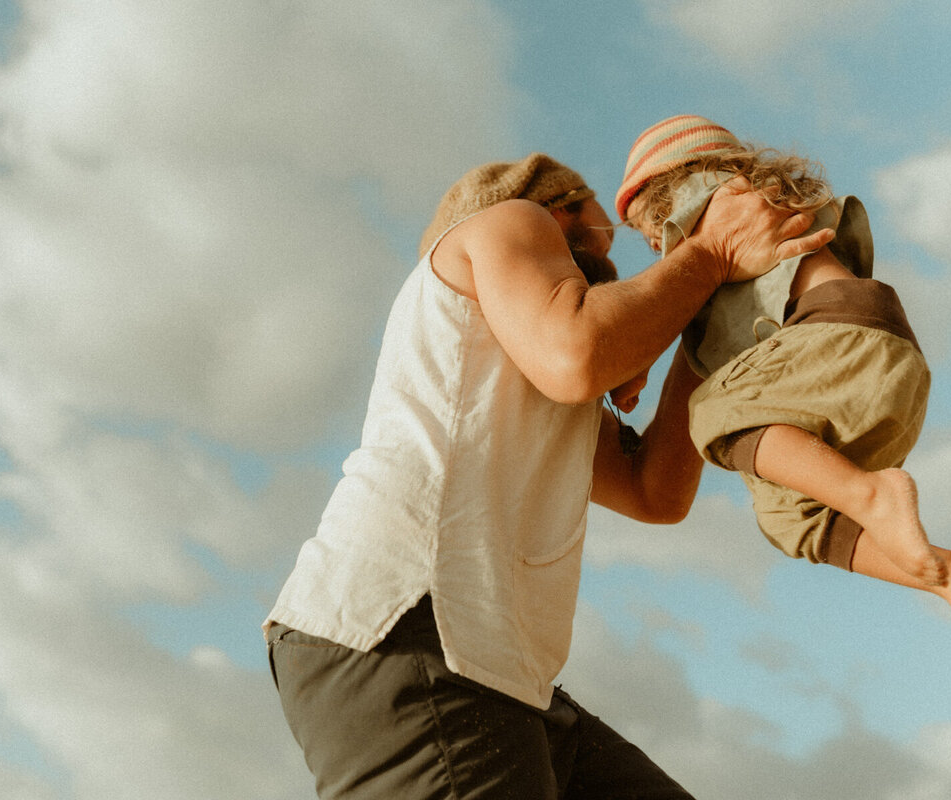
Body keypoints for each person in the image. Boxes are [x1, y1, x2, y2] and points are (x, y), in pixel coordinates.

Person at [264, 152, 834, 799]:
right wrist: (709, 255)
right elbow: (579, 355)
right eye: (605, 222)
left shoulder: (533, 355)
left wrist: (709, 319)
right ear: (562, 206)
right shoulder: (510, 221)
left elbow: (656, 491)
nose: (622, 245)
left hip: (494, 666)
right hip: (405, 628)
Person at [615, 114, 951, 614]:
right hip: (876, 368)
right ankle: (943, 576)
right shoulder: (755, 215)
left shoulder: (723, 199)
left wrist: (633, 358)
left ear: (671, 187)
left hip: (834, 337)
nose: (653, 243)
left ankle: (870, 494)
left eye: (648, 227)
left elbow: (669, 300)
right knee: (787, 514)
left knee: (711, 411)